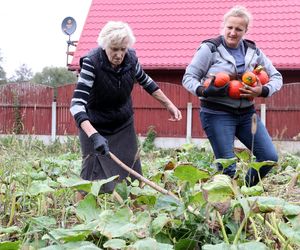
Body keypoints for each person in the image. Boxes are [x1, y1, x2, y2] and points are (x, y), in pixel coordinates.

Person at [70, 21, 182, 196]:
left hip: (122, 123)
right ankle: (82, 217)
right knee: (90, 175)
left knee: (132, 174)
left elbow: (146, 81)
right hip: (94, 125)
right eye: (114, 49)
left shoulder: (131, 60)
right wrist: (94, 136)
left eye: (123, 49)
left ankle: (137, 215)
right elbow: (76, 105)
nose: (119, 54)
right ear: (105, 46)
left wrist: (169, 104)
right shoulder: (92, 63)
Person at [182, 5, 283, 186]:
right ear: (224, 26)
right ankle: (224, 207)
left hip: (247, 114)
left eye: (238, 29)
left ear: (245, 30)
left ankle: (243, 192)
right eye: (230, 27)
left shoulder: (253, 51)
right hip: (216, 114)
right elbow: (188, 78)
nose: (233, 33)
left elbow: (276, 76)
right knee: (227, 167)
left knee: (268, 157)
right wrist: (203, 90)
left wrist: (263, 91)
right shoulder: (210, 49)